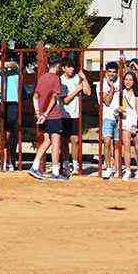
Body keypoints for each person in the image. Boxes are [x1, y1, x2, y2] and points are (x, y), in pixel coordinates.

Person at [29, 54, 67, 182]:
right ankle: (56, 172)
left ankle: (34, 166)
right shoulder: (56, 78)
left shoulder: (42, 78)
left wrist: (39, 113)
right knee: (56, 142)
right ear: (57, 66)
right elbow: (55, 97)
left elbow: (35, 97)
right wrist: (45, 113)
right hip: (53, 115)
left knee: (47, 141)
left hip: (43, 116)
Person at [59, 57, 91, 176]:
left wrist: (84, 78)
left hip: (75, 114)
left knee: (75, 140)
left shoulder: (77, 78)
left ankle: (75, 164)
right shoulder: (61, 80)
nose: (72, 69)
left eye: (73, 67)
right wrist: (77, 90)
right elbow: (65, 100)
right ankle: (66, 164)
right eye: (69, 67)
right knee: (64, 141)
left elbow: (88, 92)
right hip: (64, 114)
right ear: (63, 68)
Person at [99, 61, 120, 179]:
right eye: (110, 72)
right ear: (106, 72)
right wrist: (111, 89)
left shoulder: (120, 81)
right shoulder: (102, 84)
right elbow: (106, 102)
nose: (112, 74)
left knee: (117, 144)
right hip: (107, 117)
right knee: (107, 142)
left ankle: (116, 167)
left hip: (119, 117)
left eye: (114, 72)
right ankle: (107, 167)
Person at [117, 70, 138, 179]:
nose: (128, 82)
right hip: (125, 122)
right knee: (126, 147)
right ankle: (127, 169)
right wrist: (118, 110)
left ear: (134, 81)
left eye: (130, 79)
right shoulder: (120, 93)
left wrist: (136, 124)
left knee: (137, 147)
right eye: (126, 79)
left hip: (136, 122)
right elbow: (115, 109)